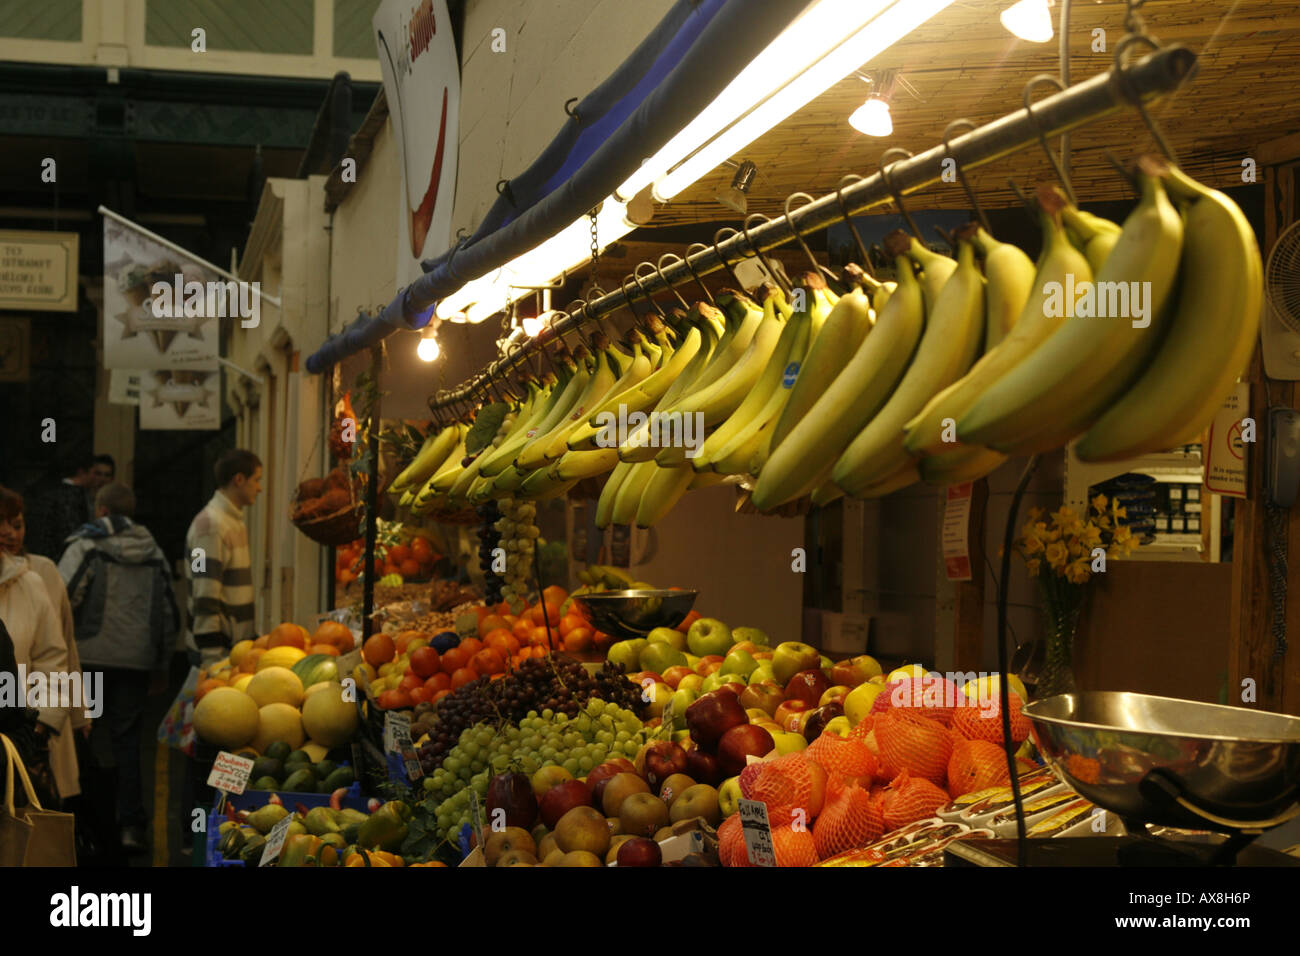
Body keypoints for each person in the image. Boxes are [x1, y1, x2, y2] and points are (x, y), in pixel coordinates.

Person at [59, 482, 178, 853]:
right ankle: (131, 826)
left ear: (101, 510)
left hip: (90, 657)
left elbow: (62, 597)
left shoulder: (85, 545)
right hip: (135, 662)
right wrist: (161, 663)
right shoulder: (154, 550)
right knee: (128, 742)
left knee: (83, 737)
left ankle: (83, 825)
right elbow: (167, 612)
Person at [0, 485, 84, 805]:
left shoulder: (32, 579)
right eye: (0, 522)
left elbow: (54, 656)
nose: (7, 533)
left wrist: (40, 725)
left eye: (16, 524)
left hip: (17, 744)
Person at [184, 449, 261, 666]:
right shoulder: (209, 527)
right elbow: (204, 594)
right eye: (256, 480)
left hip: (232, 650)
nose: (260, 488)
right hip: (217, 654)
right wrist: (211, 659)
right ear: (239, 479)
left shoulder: (230, 522)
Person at [23, 455, 95, 561]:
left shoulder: (50, 490)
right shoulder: (73, 496)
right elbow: (71, 532)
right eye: (94, 473)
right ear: (81, 472)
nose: (95, 478)